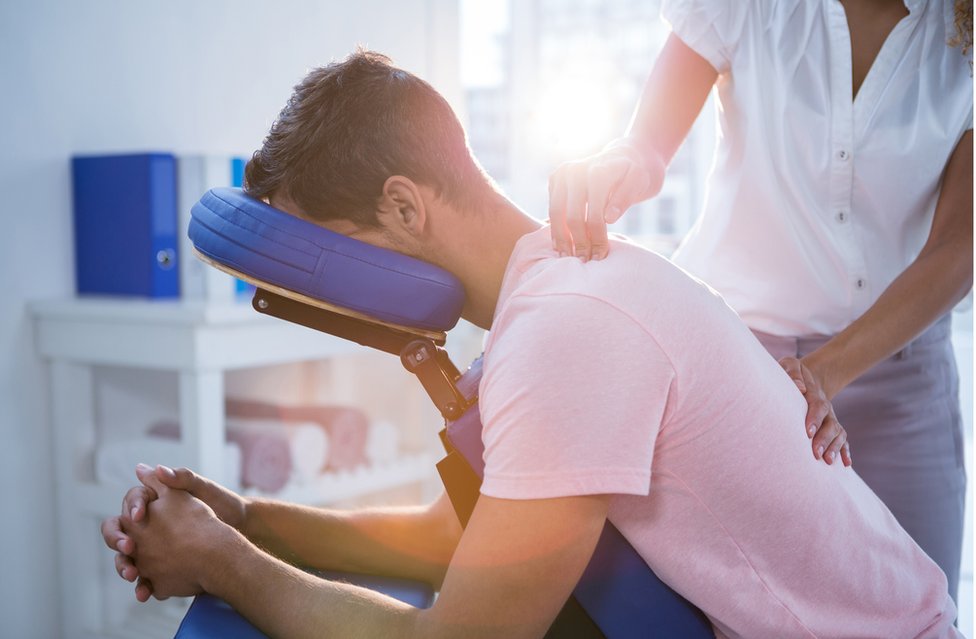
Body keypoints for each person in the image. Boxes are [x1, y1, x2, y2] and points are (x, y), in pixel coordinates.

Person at [100, 51, 960, 638]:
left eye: (323, 252)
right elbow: (450, 537)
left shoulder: (568, 332)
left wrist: (224, 561)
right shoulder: (551, 292)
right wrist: (251, 519)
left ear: (404, 208)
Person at [547, 0, 973, 602]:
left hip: (900, 378)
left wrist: (823, 373)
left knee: (919, 611)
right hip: (744, 368)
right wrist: (618, 166)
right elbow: (647, 146)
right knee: (742, 607)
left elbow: (959, 248)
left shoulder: (964, 38)